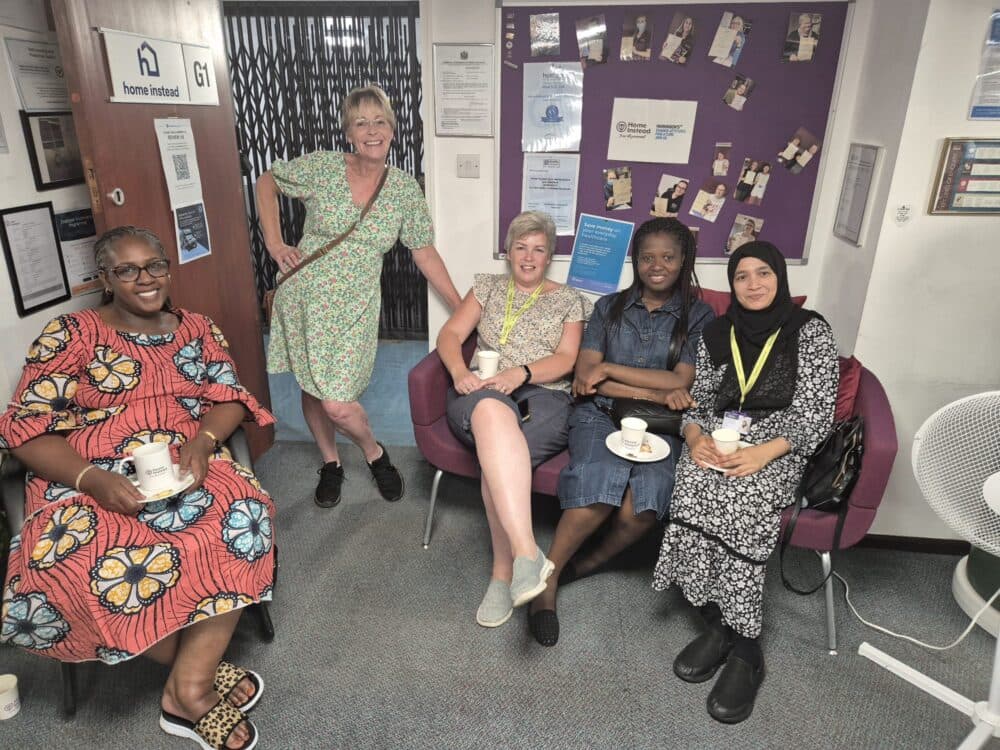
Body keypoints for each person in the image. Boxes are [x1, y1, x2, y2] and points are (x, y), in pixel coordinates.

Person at [0, 226, 277, 750]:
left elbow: (228, 395)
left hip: (181, 458)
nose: (145, 279)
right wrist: (93, 479)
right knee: (96, 557)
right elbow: (26, 430)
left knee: (243, 517)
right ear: (105, 277)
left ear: (168, 268)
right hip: (87, 473)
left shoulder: (197, 328)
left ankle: (186, 688)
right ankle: (194, 683)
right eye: (127, 269)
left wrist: (203, 441)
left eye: (154, 265)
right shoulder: (70, 335)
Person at [652, 242, 838, 724]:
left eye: (763, 274)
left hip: (779, 448)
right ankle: (716, 623)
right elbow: (699, 402)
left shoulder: (810, 331)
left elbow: (816, 415)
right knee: (692, 481)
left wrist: (762, 453)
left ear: (780, 278)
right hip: (721, 438)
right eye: (742, 277)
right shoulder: (717, 332)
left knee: (742, 493)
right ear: (732, 284)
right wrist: (694, 438)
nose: (753, 284)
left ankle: (747, 648)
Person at [256, 85, 461, 509]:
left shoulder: (404, 190)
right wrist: (275, 244)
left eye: (380, 121)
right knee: (313, 389)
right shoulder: (324, 167)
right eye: (361, 122)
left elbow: (423, 251)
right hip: (304, 298)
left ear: (393, 130)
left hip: (355, 308)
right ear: (349, 132)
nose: (371, 130)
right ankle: (331, 462)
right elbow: (266, 181)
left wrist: (460, 308)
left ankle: (374, 452)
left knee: (337, 401)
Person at [528, 218, 714, 647]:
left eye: (668, 257)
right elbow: (586, 379)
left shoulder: (699, 314)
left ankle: (590, 561)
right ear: (635, 260)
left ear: (683, 259)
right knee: (597, 483)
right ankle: (547, 582)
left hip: (662, 424)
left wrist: (611, 370)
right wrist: (640, 382)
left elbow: (681, 382)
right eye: (647, 257)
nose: (657, 266)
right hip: (599, 413)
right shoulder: (608, 307)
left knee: (644, 504)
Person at [436, 211, 590, 629]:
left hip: (544, 396)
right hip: (479, 393)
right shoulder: (486, 287)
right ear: (508, 252)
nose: (528, 256)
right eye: (521, 247)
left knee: (496, 458)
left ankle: (502, 575)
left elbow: (566, 359)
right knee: (491, 414)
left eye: (538, 249)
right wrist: (459, 373)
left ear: (549, 256)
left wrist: (519, 373)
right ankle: (527, 553)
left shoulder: (569, 299)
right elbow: (449, 336)